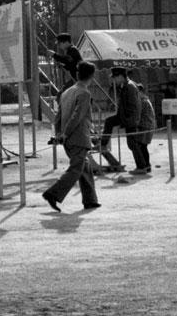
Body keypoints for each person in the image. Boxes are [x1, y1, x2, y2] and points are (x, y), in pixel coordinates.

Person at [43, 61, 101, 212]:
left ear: (77, 74)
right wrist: (66, 133)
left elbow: (59, 116)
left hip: (68, 139)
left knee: (85, 167)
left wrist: (59, 134)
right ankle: (53, 194)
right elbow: (77, 116)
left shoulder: (67, 92)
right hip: (79, 137)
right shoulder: (84, 93)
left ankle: (90, 200)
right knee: (76, 169)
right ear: (92, 76)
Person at [98, 67, 140, 172]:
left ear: (121, 76)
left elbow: (133, 105)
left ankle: (142, 166)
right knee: (132, 143)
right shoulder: (126, 85)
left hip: (129, 118)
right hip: (126, 116)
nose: (114, 80)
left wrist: (126, 120)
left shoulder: (129, 87)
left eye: (115, 78)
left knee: (133, 144)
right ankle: (143, 166)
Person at [132, 84, 155, 174]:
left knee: (142, 146)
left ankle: (145, 166)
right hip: (147, 126)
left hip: (145, 126)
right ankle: (146, 165)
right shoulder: (145, 100)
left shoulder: (142, 101)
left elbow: (138, 114)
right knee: (143, 146)